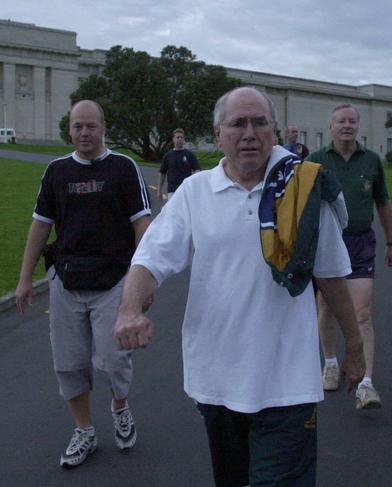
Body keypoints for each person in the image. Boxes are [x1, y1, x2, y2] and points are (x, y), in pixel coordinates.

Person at [113, 87, 365, 486]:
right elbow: (150, 257)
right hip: (216, 380)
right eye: (237, 124)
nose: (249, 133)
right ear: (218, 134)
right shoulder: (194, 193)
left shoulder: (303, 190)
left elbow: (332, 276)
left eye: (259, 123)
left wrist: (354, 346)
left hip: (288, 384)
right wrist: (129, 309)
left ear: (275, 130)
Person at [15, 100, 151, 467]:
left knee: (113, 359)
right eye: (78, 127)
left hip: (113, 282)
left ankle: (120, 406)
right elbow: (41, 224)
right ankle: (84, 431)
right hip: (66, 281)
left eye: (91, 126)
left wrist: (143, 284)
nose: (84, 133)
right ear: (69, 129)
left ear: (103, 127)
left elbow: (142, 224)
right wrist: (26, 279)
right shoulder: (56, 171)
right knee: (68, 363)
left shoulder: (123, 167)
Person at [308, 104, 392, 409]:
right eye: (341, 121)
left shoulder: (371, 161)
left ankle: (367, 384)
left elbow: (383, 202)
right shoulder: (316, 160)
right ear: (331, 126)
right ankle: (331, 362)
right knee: (327, 308)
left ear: (357, 127)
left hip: (361, 243)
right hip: (325, 245)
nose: (347, 125)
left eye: (352, 121)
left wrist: (391, 242)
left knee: (362, 312)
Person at [158, 128, 200, 202]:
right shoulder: (168, 156)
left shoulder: (190, 155)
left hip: (186, 190)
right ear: (173, 139)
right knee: (173, 213)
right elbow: (162, 173)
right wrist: (159, 190)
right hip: (172, 191)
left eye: (181, 137)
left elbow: (197, 171)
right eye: (177, 137)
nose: (180, 139)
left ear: (184, 139)